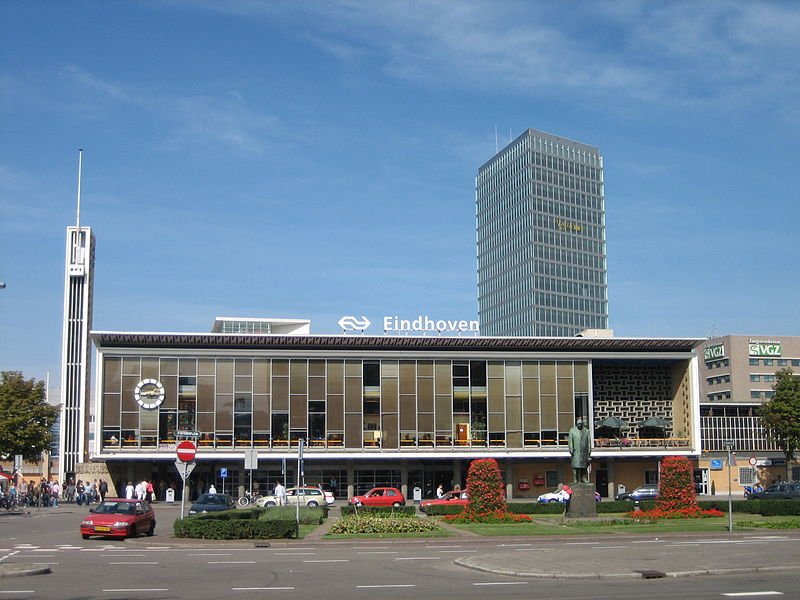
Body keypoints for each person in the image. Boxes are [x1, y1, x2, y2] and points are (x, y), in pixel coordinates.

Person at [568, 417, 592, 483]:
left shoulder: (587, 431)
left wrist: (589, 452)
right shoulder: (572, 430)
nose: (580, 425)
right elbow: (570, 441)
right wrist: (571, 449)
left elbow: (589, 442)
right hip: (576, 452)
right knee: (575, 466)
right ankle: (575, 479)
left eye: (581, 424)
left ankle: (583, 478)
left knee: (584, 466)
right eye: (578, 424)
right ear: (576, 424)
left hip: (584, 452)